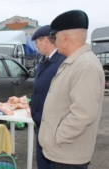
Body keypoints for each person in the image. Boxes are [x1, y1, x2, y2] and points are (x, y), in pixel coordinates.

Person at [38, 10, 105, 169]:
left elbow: (83, 114)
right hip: (64, 152)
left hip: (69, 154)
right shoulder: (75, 62)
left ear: (64, 38)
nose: (54, 42)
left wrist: (57, 137)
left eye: (54, 37)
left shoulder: (84, 65)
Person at [30, 25, 66, 169]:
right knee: (43, 164)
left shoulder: (63, 61)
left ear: (45, 40)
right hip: (41, 125)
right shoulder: (43, 61)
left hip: (54, 127)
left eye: (37, 42)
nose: (36, 46)